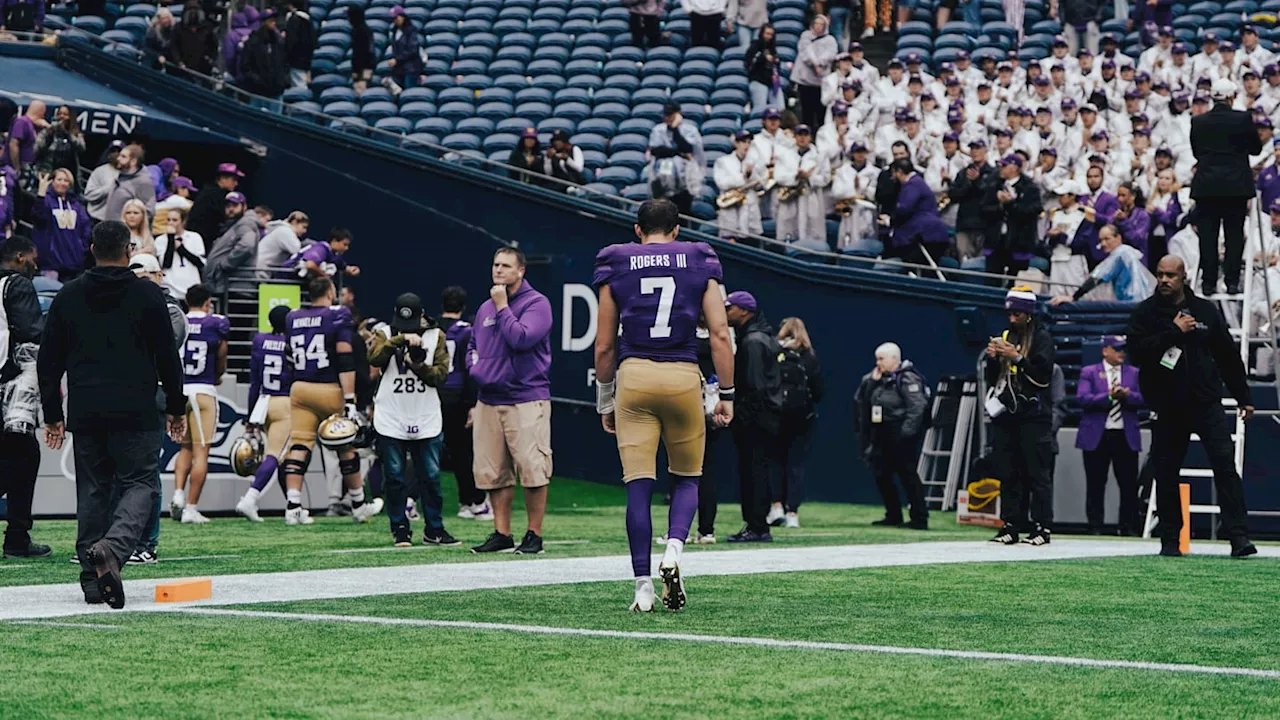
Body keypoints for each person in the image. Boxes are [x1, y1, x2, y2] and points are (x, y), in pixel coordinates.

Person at [592, 199, 734, 612]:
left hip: (634, 375)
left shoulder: (616, 262)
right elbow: (721, 333)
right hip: (682, 374)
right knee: (687, 477)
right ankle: (673, 550)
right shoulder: (697, 258)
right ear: (676, 230)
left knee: (638, 484)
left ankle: (642, 587)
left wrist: (606, 398)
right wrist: (726, 393)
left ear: (638, 230)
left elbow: (603, 344)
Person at [38, 221, 186, 608]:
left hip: (86, 408)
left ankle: (92, 579)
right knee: (142, 484)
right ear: (129, 250)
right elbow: (168, 359)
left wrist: (52, 414)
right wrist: (175, 407)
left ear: (90, 249)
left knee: (92, 490)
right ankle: (113, 549)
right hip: (135, 407)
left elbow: (48, 362)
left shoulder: (68, 296)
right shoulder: (148, 296)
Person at [1125, 255, 1257, 558]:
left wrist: (1244, 397)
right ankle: (1170, 539)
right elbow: (1135, 353)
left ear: (1184, 277)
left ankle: (1238, 537)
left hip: (1205, 402)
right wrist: (1173, 332)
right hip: (1168, 405)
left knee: (1225, 466)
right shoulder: (1146, 313)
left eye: (1171, 275)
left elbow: (1227, 355)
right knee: (1167, 471)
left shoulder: (1204, 311)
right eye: (1160, 275)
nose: (1164, 280)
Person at [466, 247, 554, 555]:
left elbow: (522, 338)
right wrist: (475, 369)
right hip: (489, 398)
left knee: (532, 468)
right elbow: (473, 345)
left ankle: (534, 534)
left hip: (525, 397)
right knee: (493, 470)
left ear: (521, 271)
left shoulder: (537, 303)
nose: (498, 270)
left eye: (505, 265)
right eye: (495, 264)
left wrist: (503, 307)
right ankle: (502, 532)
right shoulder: (484, 309)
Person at [280, 275, 384, 526]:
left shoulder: (293, 317)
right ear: (329, 293)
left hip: (300, 388)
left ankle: (293, 506)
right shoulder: (337, 315)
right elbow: (345, 359)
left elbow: (290, 356)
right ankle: (358, 504)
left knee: (300, 444)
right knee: (346, 446)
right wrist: (349, 399)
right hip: (328, 388)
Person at [366, 292, 455, 545]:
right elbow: (373, 358)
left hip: (424, 412)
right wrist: (399, 339)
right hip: (391, 412)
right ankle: (400, 529)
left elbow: (441, 376)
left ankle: (434, 529)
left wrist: (419, 366)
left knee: (431, 476)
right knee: (394, 476)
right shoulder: (384, 332)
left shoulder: (436, 336)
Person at [121, 252, 184, 564]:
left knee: (147, 473)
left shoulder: (171, 311)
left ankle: (147, 542)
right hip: (126, 394)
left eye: (143, 276)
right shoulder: (127, 303)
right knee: (121, 472)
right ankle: (116, 541)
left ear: (158, 275)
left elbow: (161, 353)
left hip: (153, 396)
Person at [985, 287, 1056, 546]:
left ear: (1028, 314)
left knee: (1037, 473)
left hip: (1034, 414)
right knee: (1009, 471)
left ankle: (1042, 526)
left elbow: (1042, 376)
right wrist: (994, 359)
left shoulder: (1042, 338)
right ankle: (1011, 524)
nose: (1012, 319)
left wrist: (1016, 357)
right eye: (1010, 313)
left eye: (1017, 314)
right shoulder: (1006, 335)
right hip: (1007, 413)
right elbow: (994, 379)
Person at [0, 236, 49, 559]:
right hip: (9, 384)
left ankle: (18, 535)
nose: (36, 265)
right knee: (23, 457)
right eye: (32, 258)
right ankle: (17, 537)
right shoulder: (16, 284)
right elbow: (31, 331)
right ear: (19, 257)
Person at [1191, 80, 1263, 295]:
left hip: (1207, 187)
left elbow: (1197, 153)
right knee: (1233, 235)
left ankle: (1209, 282)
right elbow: (1256, 149)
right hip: (1235, 187)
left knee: (1208, 235)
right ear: (1231, 97)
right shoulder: (1242, 119)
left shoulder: (1199, 121)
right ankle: (1232, 281)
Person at [724, 290, 782, 543]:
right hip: (764, 416)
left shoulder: (753, 341)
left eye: (729, 308)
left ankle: (757, 526)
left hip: (756, 419)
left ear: (744, 311)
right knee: (757, 472)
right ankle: (758, 524)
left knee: (754, 473)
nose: (725, 313)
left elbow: (755, 386)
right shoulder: (758, 337)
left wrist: (742, 416)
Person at [169, 283, 228, 524]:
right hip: (204, 390)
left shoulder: (177, 319)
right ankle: (191, 508)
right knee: (202, 450)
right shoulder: (216, 323)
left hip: (181, 390)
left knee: (185, 448)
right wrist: (218, 375)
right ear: (207, 302)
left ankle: (178, 494)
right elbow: (222, 354)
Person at [855, 341, 929, 528]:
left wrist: (906, 433)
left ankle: (919, 517)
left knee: (908, 475)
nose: (878, 363)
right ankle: (893, 514)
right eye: (877, 359)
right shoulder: (874, 378)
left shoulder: (907, 378)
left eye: (881, 359)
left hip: (900, 432)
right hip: (881, 432)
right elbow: (861, 400)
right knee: (881, 474)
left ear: (894, 359)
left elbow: (917, 406)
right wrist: (872, 381)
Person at [1076, 335, 1144, 535]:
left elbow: (1144, 398)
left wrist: (1127, 396)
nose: (1121, 352)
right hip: (1098, 435)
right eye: (1117, 349)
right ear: (1105, 350)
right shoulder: (1089, 372)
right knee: (1096, 482)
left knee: (1128, 483)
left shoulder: (1134, 373)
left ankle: (1127, 526)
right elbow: (1082, 398)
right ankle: (1095, 525)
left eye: (1123, 349)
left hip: (1124, 434)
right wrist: (1108, 397)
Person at [438, 286, 489, 520]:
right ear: (463, 307)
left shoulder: (432, 329)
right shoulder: (467, 332)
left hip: (433, 394)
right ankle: (472, 502)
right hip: (457, 395)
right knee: (464, 451)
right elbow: (471, 368)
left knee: (426, 448)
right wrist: (472, 402)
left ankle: (410, 500)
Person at [771, 317, 822, 528]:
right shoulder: (809, 356)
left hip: (776, 415)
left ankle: (776, 507)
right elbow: (818, 391)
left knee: (775, 461)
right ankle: (793, 512)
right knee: (796, 464)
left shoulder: (774, 352)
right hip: (802, 418)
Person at [1050, 224, 1155, 304]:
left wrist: (1073, 297)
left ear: (1118, 238)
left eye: (1107, 239)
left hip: (1133, 303)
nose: (1103, 244)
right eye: (1101, 240)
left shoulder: (1120, 254)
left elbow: (1097, 277)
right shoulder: (1129, 251)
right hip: (1142, 301)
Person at [983, 154, 1043, 279]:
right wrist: (999, 204)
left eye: (1004, 166)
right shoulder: (994, 184)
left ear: (1014, 168)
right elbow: (983, 208)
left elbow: (1032, 211)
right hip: (996, 240)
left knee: (1016, 281)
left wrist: (1010, 203)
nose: (1001, 168)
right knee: (992, 278)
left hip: (1019, 241)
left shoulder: (1030, 188)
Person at [883, 158, 951, 268]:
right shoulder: (918, 182)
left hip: (926, 235)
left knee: (918, 265)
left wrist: (889, 220)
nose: (893, 176)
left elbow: (904, 209)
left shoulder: (912, 184)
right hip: (932, 234)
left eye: (894, 173)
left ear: (899, 172)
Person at [29, 168, 90, 282]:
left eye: (66, 180)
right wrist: (41, 194)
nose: (62, 183)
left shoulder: (76, 205)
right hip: (50, 264)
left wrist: (82, 249)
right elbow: (38, 218)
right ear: (52, 181)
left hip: (74, 263)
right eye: (59, 179)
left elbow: (85, 228)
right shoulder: (45, 200)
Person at [648, 103, 705, 216]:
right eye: (666, 115)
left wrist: (675, 129)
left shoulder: (690, 130)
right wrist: (678, 152)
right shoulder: (658, 130)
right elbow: (656, 151)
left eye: (671, 115)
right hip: (661, 180)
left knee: (681, 215)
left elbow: (687, 148)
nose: (667, 118)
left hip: (684, 181)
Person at [713, 130, 764, 241]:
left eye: (748, 142)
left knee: (751, 242)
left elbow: (761, 183)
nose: (746, 144)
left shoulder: (755, 163)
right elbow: (721, 183)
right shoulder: (723, 161)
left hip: (750, 208)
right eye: (743, 141)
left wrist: (751, 175)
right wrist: (744, 177)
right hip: (731, 207)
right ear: (736, 143)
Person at [204, 191, 259, 295]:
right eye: (228, 206)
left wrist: (225, 263)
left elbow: (247, 245)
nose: (231, 209)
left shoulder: (245, 223)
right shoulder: (232, 225)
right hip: (229, 285)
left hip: (237, 286)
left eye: (235, 205)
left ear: (244, 206)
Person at [791, 16, 838, 131]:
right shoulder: (805, 36)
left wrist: (821, 63)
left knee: (821, 112)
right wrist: (815, 64)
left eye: (821, 24)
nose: (818, 26)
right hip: (805, 80)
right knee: (807, 112)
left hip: (821, 82)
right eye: (816, 23)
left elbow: (831, 54)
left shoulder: (830, 40)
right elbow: (806, 51)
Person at [153, 208, 205, 301]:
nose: (171, 223)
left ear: (183, 221)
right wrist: (171, 239)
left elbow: (200, 263)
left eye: (175, 220)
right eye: (168, 220)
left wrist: (181, 249)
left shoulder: (195, 237)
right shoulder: (160, 240)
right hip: (170, 287)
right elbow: (165, 264)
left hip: (191, 286)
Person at [104, 144, 156, 224]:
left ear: (133, 161)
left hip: (126, 234)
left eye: (123, 156)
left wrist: (130, 229)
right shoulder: (121, 177)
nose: (118, 158)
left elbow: (148, 212)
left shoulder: (143, 182)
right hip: (111, 230)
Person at [33, 107, 83, 186]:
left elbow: (81, 148)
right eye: (59, 114)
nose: (62, 116)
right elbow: (36, 149)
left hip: (67, 177)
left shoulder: (76, 133)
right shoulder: (47, 132)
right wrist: (50, 133)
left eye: (65, 114)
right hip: (47, 175)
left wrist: (67, 134)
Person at [171, 1, 217, 78]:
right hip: (184, 67)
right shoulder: (178, 28)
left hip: (203, 67)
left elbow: (213, 45)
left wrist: (211, 58)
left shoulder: (207, 27)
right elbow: (173, 46)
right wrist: (178, 61)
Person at [1, 100, 45, 180]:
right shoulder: (22, 122)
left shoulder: (32, 125)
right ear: (41, 111)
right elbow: (13, 144)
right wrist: (16, 167)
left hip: (27, 167)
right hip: (15, 167)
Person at [82, 141, 122, 223]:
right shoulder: (99, 171)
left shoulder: (131, 174)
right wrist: (109, 188)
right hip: (98, 219)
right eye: (113, 151)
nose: (116, 154)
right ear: (108, 154)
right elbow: (88, 195)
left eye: (119, 151)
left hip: (120, 221)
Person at [745, 25, 782, 112]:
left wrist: (776, 63)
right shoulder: (754, 46)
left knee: (780, 108)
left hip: (772, 82)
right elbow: (749, 64)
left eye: (771, 35)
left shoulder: (773, 48)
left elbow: (777, 66)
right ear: (762, 33)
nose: (769, 37)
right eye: (767, 34)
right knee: (760, 110)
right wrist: (763, 57)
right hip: (758, 81)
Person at [386, 6, 423, 91]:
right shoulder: (394, 31)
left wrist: (397, 59)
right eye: (393, 18)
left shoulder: (411, 30)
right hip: (399, 69)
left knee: (409, 90)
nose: (395, 20)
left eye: (396, 17)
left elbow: (412, 50)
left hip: (411, 68)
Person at [283, 0, 315, 89]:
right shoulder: (308, 19)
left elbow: (291, 41)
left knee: (299, 84)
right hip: (306, 58)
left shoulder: (294, 19)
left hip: (296, 59)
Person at [348, 5, 375, 92]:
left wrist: (356, 71)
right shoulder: (366, 30)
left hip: (363, 67)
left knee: (361, 91)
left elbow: (359, 53)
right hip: (366, 65)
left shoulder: (359, 31)